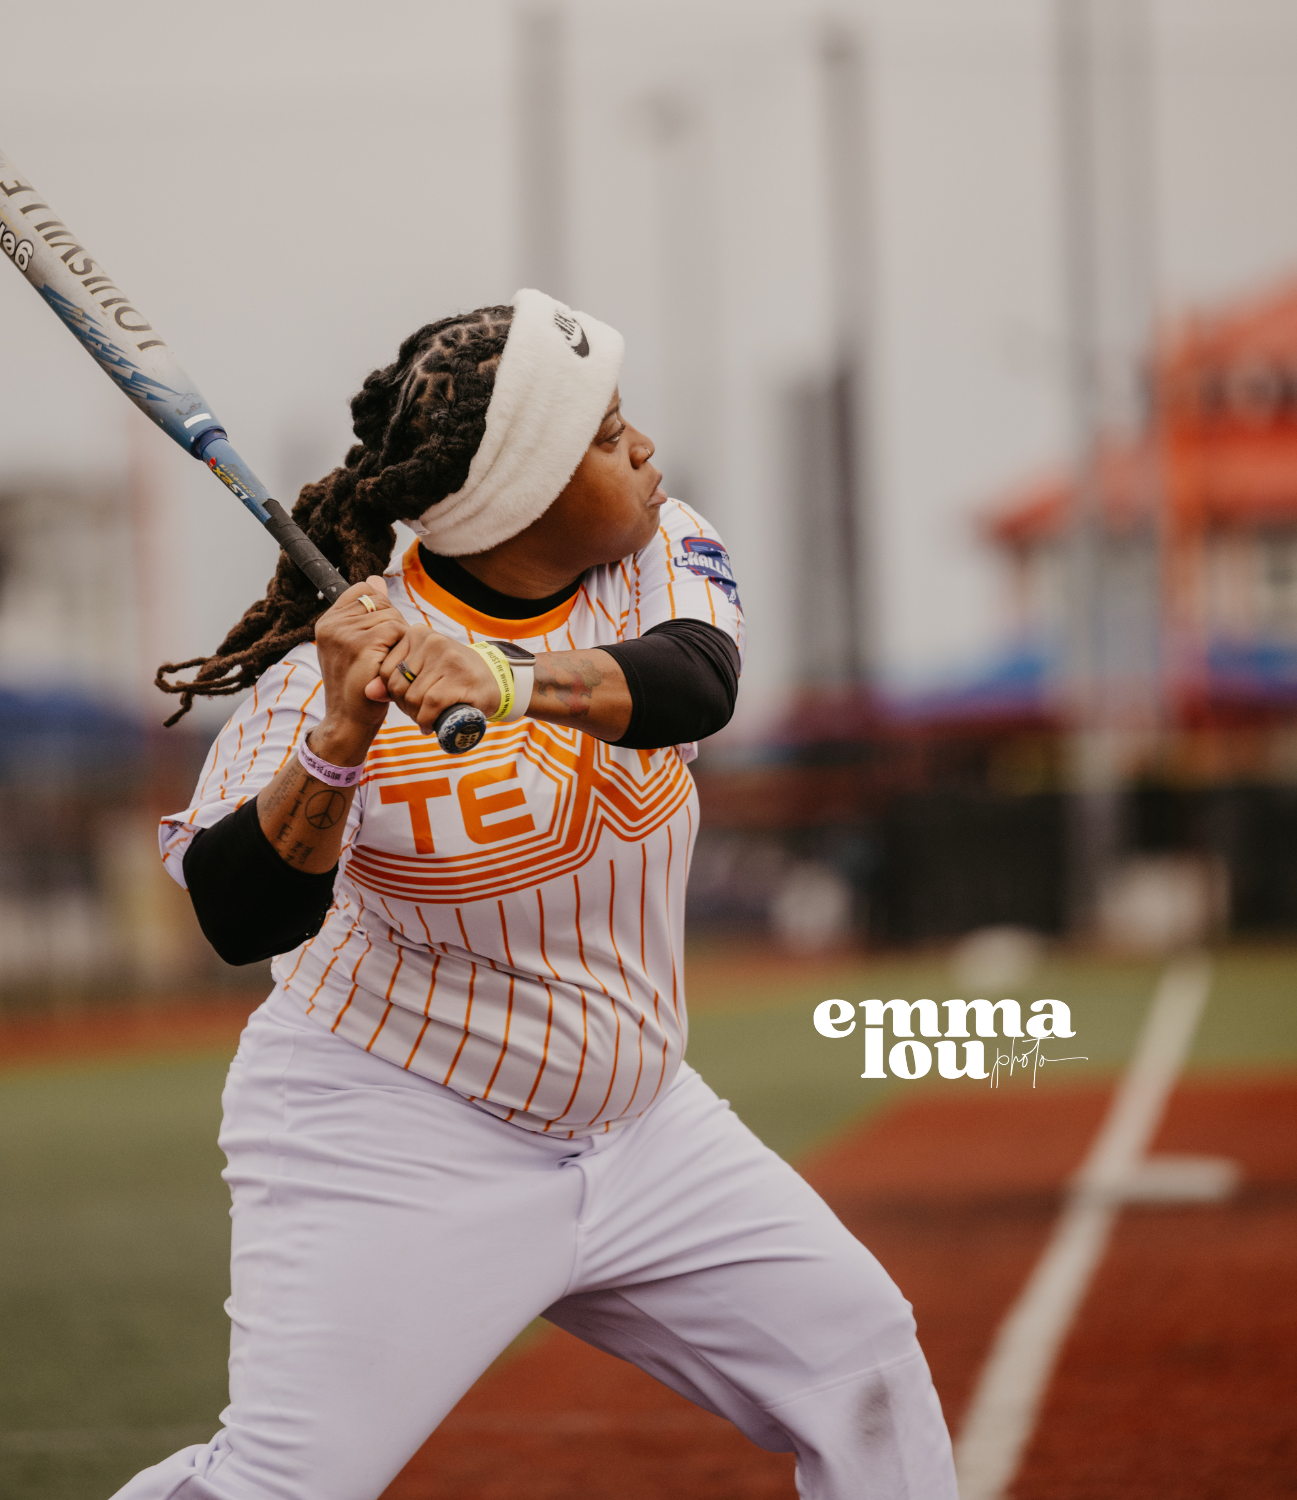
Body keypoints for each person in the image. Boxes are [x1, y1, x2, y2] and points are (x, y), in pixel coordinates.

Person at [114, 290, 958, 1500]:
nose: (646, 449)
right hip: (397, 1133)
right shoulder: (320, 682)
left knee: (861, 1368)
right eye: (610, 436)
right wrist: (343, 737)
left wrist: (502, 677)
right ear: (527, 494)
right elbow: (238, 916)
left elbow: (696, 683)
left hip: (645, 1122)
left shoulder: (653, 554)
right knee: (286, 1488)